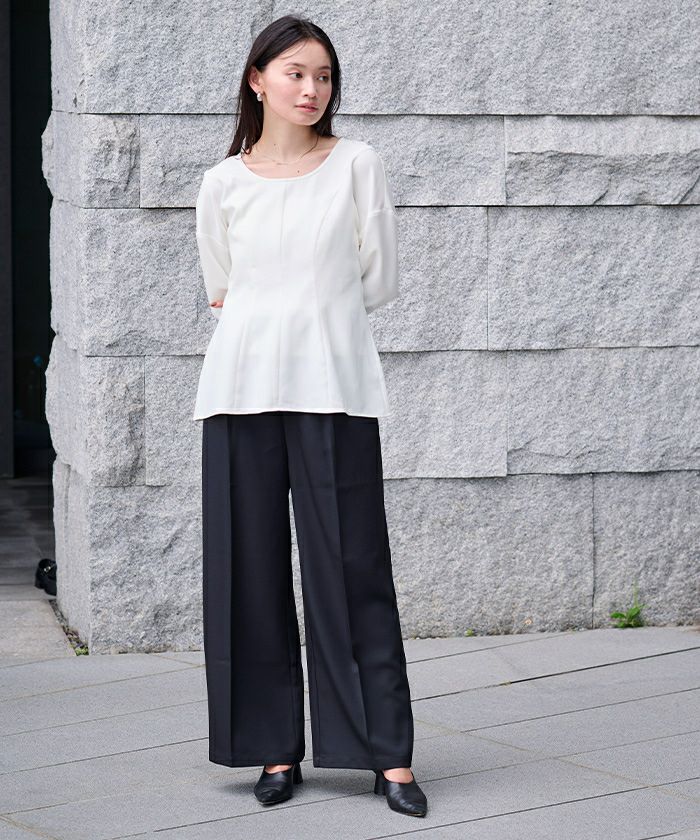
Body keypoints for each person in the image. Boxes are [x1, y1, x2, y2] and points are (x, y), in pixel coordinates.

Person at [192, 14, 428, 819]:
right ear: (257, 80)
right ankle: (273, 748)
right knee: (248, 572)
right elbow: (222, 288)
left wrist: (313, 316)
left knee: (353, 569)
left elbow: (379, 278)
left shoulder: (357, 164)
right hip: (240, 391)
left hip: (335, 386)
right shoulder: (223, 183)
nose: (311, 89)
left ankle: (388, 756)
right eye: (295, 73)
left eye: (323, 76)